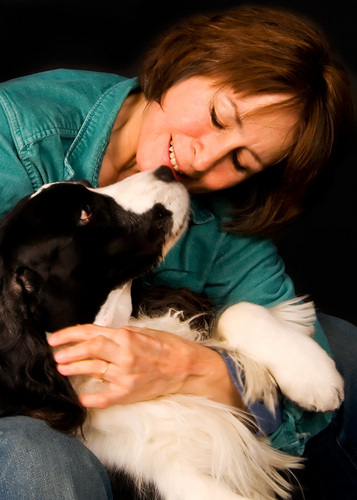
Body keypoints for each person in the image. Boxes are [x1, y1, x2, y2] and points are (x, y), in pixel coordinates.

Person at [0, 5, 355, 499]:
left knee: (344, 347)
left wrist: (194, 368)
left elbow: (306, 405)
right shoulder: (15, 130)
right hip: (31, 406)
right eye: (216, 117)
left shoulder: (226, 219)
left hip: (162, 417)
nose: (202, 158)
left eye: (241, 160)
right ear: (185, 62)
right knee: (30, 451)